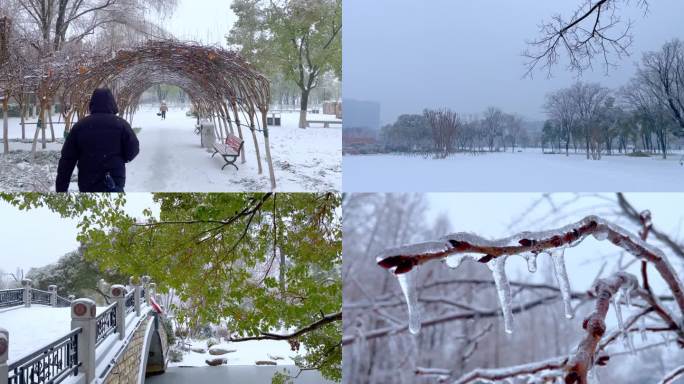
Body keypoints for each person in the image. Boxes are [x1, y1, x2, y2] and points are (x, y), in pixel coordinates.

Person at [55, 88, 139, 192]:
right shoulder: (121, 125)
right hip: (113, 181)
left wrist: (61, 189)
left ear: (92, 104)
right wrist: (122, 158)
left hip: (88, 181)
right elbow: (133, 149)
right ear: (112, 103)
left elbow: (67, 160)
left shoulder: (80, 126)